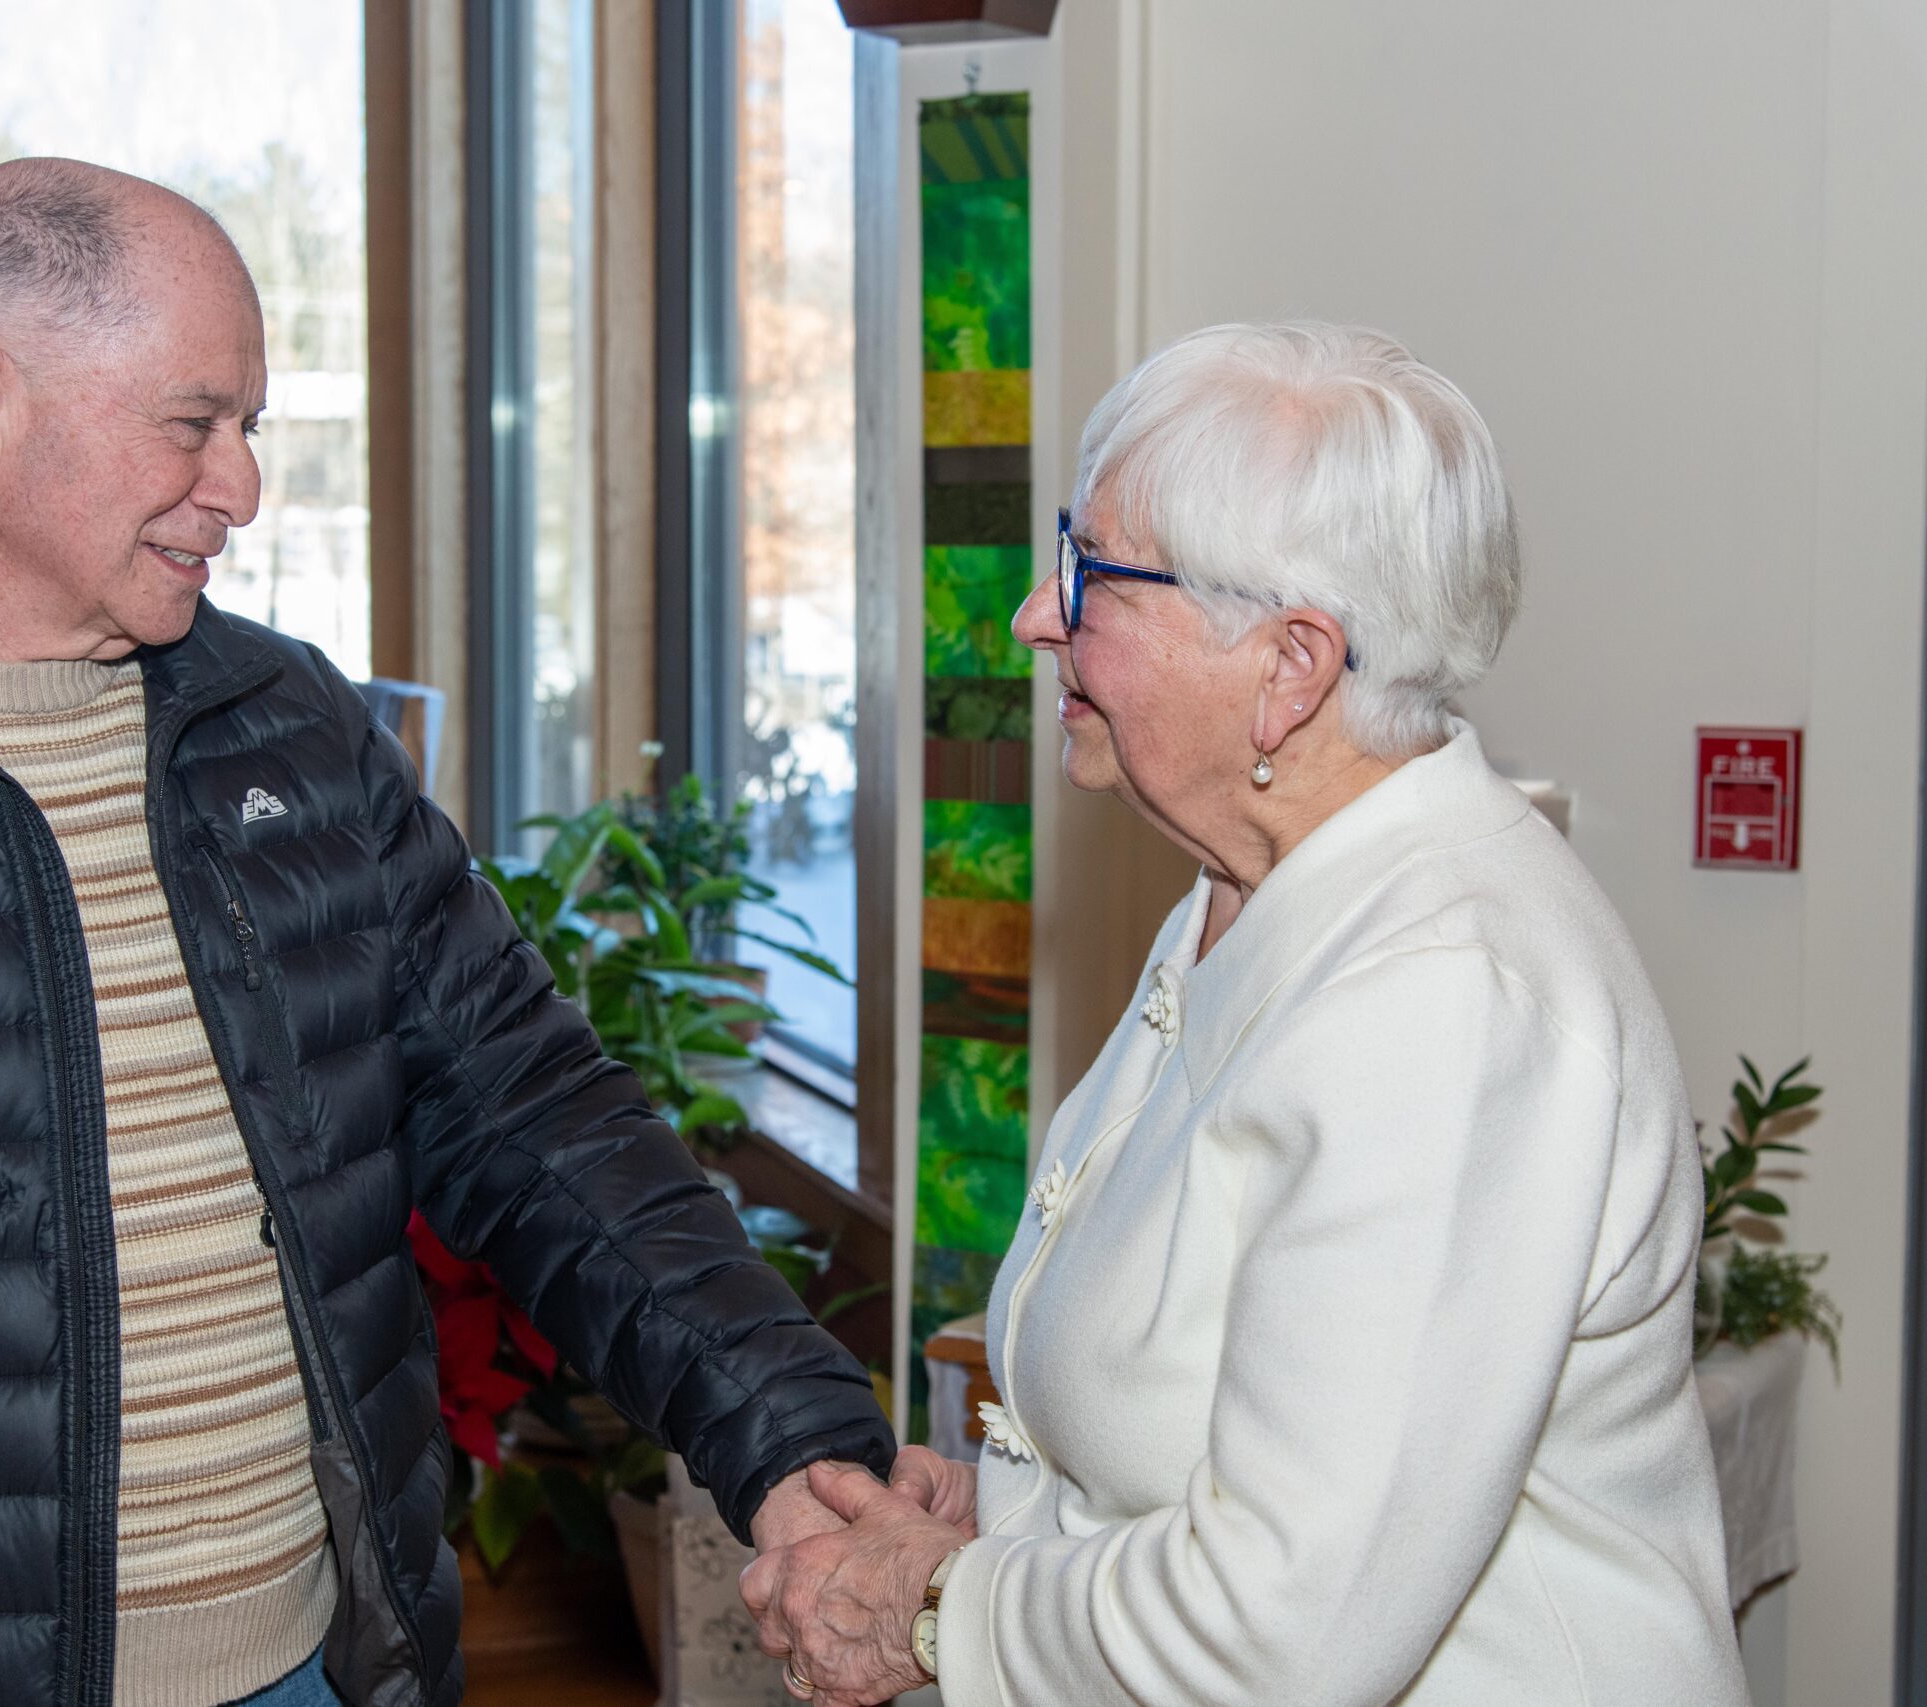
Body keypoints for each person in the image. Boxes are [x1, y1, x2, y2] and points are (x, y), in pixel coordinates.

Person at [0, 158, 892, 1707]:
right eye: (193, 424)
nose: (241, 487)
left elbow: (541, 1122)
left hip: (320, 1672)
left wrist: (791, 1436)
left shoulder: (292, 728)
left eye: (250, 428)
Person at [741, 322, 1750, 1706]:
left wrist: (932, 1609)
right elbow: (1200, 1421)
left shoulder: (1443, 1003)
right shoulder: (1251, 891)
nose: (1036, 616)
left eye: (1093, 575)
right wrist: (1003, 1524)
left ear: (1289, 665)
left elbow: (1281, 1634)